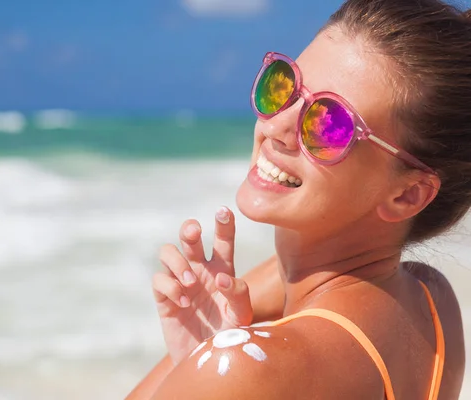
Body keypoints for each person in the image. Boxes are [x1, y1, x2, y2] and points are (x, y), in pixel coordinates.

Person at [127, 0, 469, 398]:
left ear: (408, 194)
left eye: (329, 124)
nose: (278, 126)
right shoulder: (431, 305)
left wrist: (204, 365)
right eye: (284, 87)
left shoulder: (241, 371)